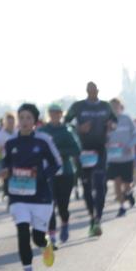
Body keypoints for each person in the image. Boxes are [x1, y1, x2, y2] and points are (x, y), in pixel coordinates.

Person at [0, 104, 62, 271]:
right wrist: (5, 171)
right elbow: (5, 164)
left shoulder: (43, 140)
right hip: (18, 196)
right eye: (22, 117)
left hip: (41, 196)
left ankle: (46, 244)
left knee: (36, 238)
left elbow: (56, 163)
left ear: (35, 121)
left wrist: (41, 175)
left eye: (28, 118)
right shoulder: (11, 143)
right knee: (22, 233)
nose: (25, 121)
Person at [64, 82, 117, 236]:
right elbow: (66, 122)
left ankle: (97, 218)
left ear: (98, 91)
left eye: (95, 90)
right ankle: (92, 216)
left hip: (100, 149)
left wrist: (111, 125)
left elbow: (114, 121)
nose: (92, 92)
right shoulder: (78, 106)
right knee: (87, 187)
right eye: (90, 90)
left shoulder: (106, 106)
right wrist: (78, 129)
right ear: (86, 91)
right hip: (84, 150)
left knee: (100, 184)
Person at [38, 104, 81, 244]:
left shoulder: (67, 130)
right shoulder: (43, 130)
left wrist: (59, 153)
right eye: (52, 113)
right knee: (50, 203)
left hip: (66, 172)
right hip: (49, 173)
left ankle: (64, 224)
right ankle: (52, 234)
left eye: (57, 113)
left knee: (63, 205)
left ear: (61, 114)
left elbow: (76, 149)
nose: (55, 115)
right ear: (49, 114)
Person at [106, 98, 136, 217]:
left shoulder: (126, 118)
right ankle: (121, 207)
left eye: (116, 105)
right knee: (117, 182)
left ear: (120, 106)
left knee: (127, 183)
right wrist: (106, 142)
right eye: (112, 106)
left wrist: (130, 145)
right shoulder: (106, 121)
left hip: (127, 157)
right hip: (113, 158)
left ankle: (129, 193)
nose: (114, 108)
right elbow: (102, 137)